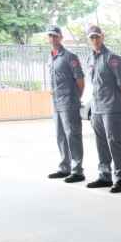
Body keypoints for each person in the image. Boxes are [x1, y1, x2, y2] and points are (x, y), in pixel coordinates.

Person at [83, 25, 121, 193]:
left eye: (97, 36)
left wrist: (116, 101)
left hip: (110, 107)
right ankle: (104, 176)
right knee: (101, 142)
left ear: (102, 37)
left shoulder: (112, 58)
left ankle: (120, 179)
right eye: (91, 37)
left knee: (114, 142)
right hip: (96, 108)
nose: (94, 40)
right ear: (89, 40)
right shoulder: (89, 58)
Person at [45, 26, 86, 183]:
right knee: (60, 135)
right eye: (50, 36)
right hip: (56, 103)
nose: (53, 39)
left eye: (55, 36)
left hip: (69, 102)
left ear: (61, 37)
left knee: (73, 135)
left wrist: (74, 99)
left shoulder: (70, 57)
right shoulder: (51, 57)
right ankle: (65, 167)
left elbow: (80, 81)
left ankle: (77, 170)